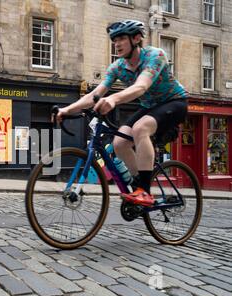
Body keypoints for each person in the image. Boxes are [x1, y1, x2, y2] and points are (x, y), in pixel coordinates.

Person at [55, 20, 188, 207]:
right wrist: (67, 110)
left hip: (174, 102)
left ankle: (145, 192)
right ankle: (138, 185)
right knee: (119, 142)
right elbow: (95, 94)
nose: (116, 44)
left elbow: (141, 87)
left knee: (140, 129)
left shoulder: (155, 56)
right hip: (149, 107)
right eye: (114, 40)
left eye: (122, 39)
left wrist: (113, 99)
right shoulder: (117, 67)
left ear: (136, 39)